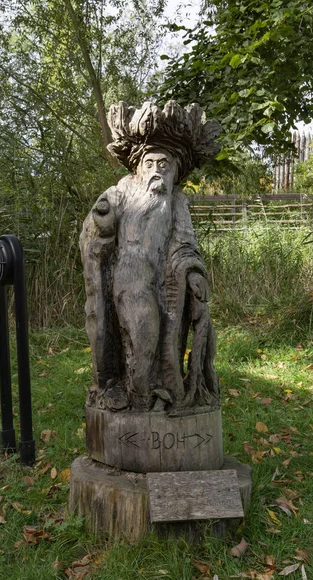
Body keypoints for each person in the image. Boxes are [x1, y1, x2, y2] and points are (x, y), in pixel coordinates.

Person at [80, 101, 220, 414]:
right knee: (143, 336)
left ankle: (156, 394)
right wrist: (101, 222)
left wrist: (194, 274)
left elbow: (186, 242)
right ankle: (138, 403)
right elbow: (100, 218)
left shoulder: (177, 200)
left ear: (174, 169)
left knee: (166, 343)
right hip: (130, 278)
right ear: (139, 167)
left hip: (168, 283)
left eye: (164, 165)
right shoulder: (123, 191)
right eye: (150, 164)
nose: (157, 171)